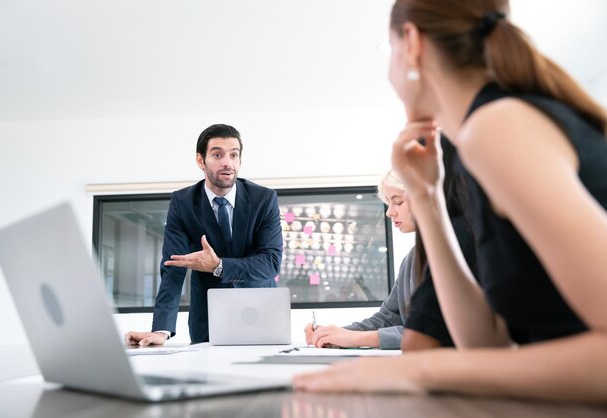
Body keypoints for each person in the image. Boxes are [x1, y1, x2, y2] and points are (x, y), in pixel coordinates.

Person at [294, 0, 607, 402]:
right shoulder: (476, 142)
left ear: (411, 42)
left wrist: (420, 369)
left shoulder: (497, 125)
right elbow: (486, 347)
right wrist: (426, 196)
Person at [305, 144, 476, 350]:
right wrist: (334, 334)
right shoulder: (412, 258)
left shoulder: (458, 249)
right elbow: (387, 318)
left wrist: (356, 339)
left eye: (398, 202)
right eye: (388, 204)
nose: (389, 213)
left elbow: (434, 331)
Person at [125, 124, 283, 345]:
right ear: (201, 160)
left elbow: (271, 262)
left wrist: (219, 265)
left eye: (234, 155)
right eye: (217, 154)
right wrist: (162, 329)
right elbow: (173, 266)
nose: (227, 162)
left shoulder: (263, 200)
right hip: (209, 320)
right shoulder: (183, 203)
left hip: (259, 313)